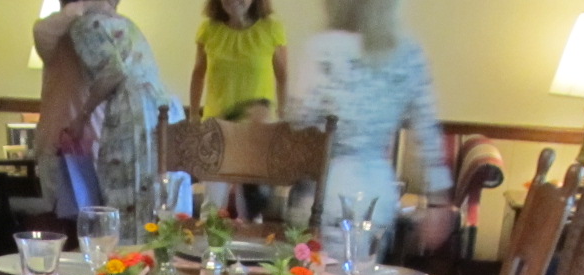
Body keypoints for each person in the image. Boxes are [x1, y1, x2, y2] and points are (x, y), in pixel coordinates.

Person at [289, 0, 451, 255]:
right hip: (378, 189)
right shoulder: (408, 53)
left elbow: (299, 120)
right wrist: (438, 204)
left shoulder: (322, 49)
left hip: (325, 187)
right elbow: (428, 134)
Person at [66, 2, 185, 232]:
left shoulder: (85, 26)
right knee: (156, 199)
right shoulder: (127, 23)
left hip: (131, 115)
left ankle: (128, 253)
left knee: (125, 200)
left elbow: (113, 72)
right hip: (161, 111)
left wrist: (82, 116)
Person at [32, 0, 114, 216]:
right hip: (60, 150)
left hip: (105, 151)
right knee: (64, 225)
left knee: (106, 226)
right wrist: (85, 7)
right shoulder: (55, 39)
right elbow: (41, 30)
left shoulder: (112, 38)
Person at [190, 0, 288, 121]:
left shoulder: (272, 29)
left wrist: (282, 115)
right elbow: (198, 74)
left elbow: (282, 76)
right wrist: (194, 116)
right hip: (216, 124)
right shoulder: (208, 29)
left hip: (258, 125)